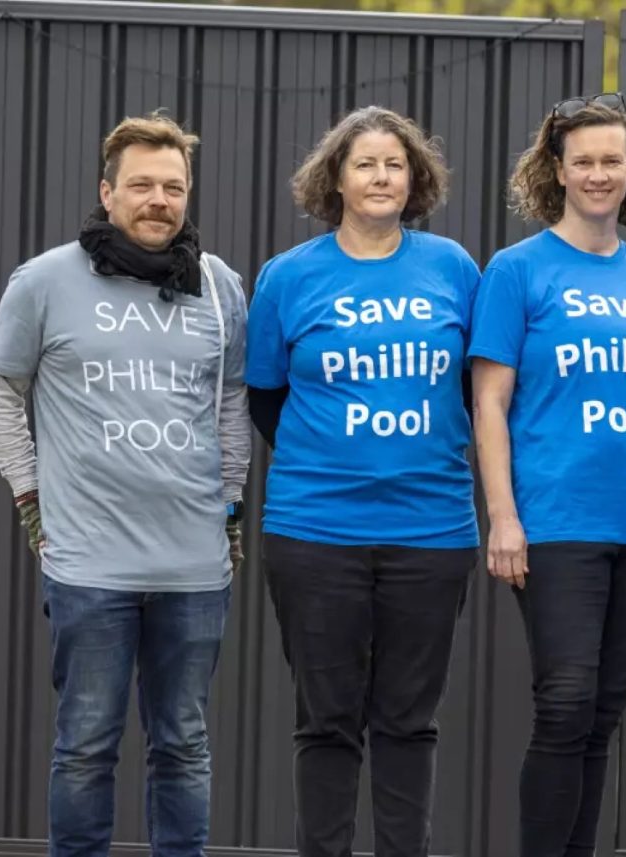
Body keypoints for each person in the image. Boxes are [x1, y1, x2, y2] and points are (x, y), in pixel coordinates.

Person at [0, 112, 249, 857]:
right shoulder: (44, 281)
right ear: (107, 191)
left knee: (184, 745)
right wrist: (31, 495)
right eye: (141, 185)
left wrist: (229, 503)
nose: (158, 199)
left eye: (173, 186)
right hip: (88, 565)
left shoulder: (218, 286)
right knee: (86, 745)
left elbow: (231, 399)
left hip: (194, 566)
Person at [245, 106, 479, 857]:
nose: (381, 177)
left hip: (432, 531)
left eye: (394, 165)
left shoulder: (454, 268)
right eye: (365, 164)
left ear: (415, 179)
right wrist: (336, 459)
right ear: (335, 179)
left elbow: (481, 391)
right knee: (328, 718)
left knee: (410, 719)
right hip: (315, 532)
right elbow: (265, 395)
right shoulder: (289, 276)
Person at [468, 92, 626, 857]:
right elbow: (490, 402)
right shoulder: (517, 270)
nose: (599, 174)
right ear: (557, 171)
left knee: (601, 713)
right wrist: (503, 516)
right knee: (563, 704)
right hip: (557, 518)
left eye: (612, 160)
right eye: (583, 161)